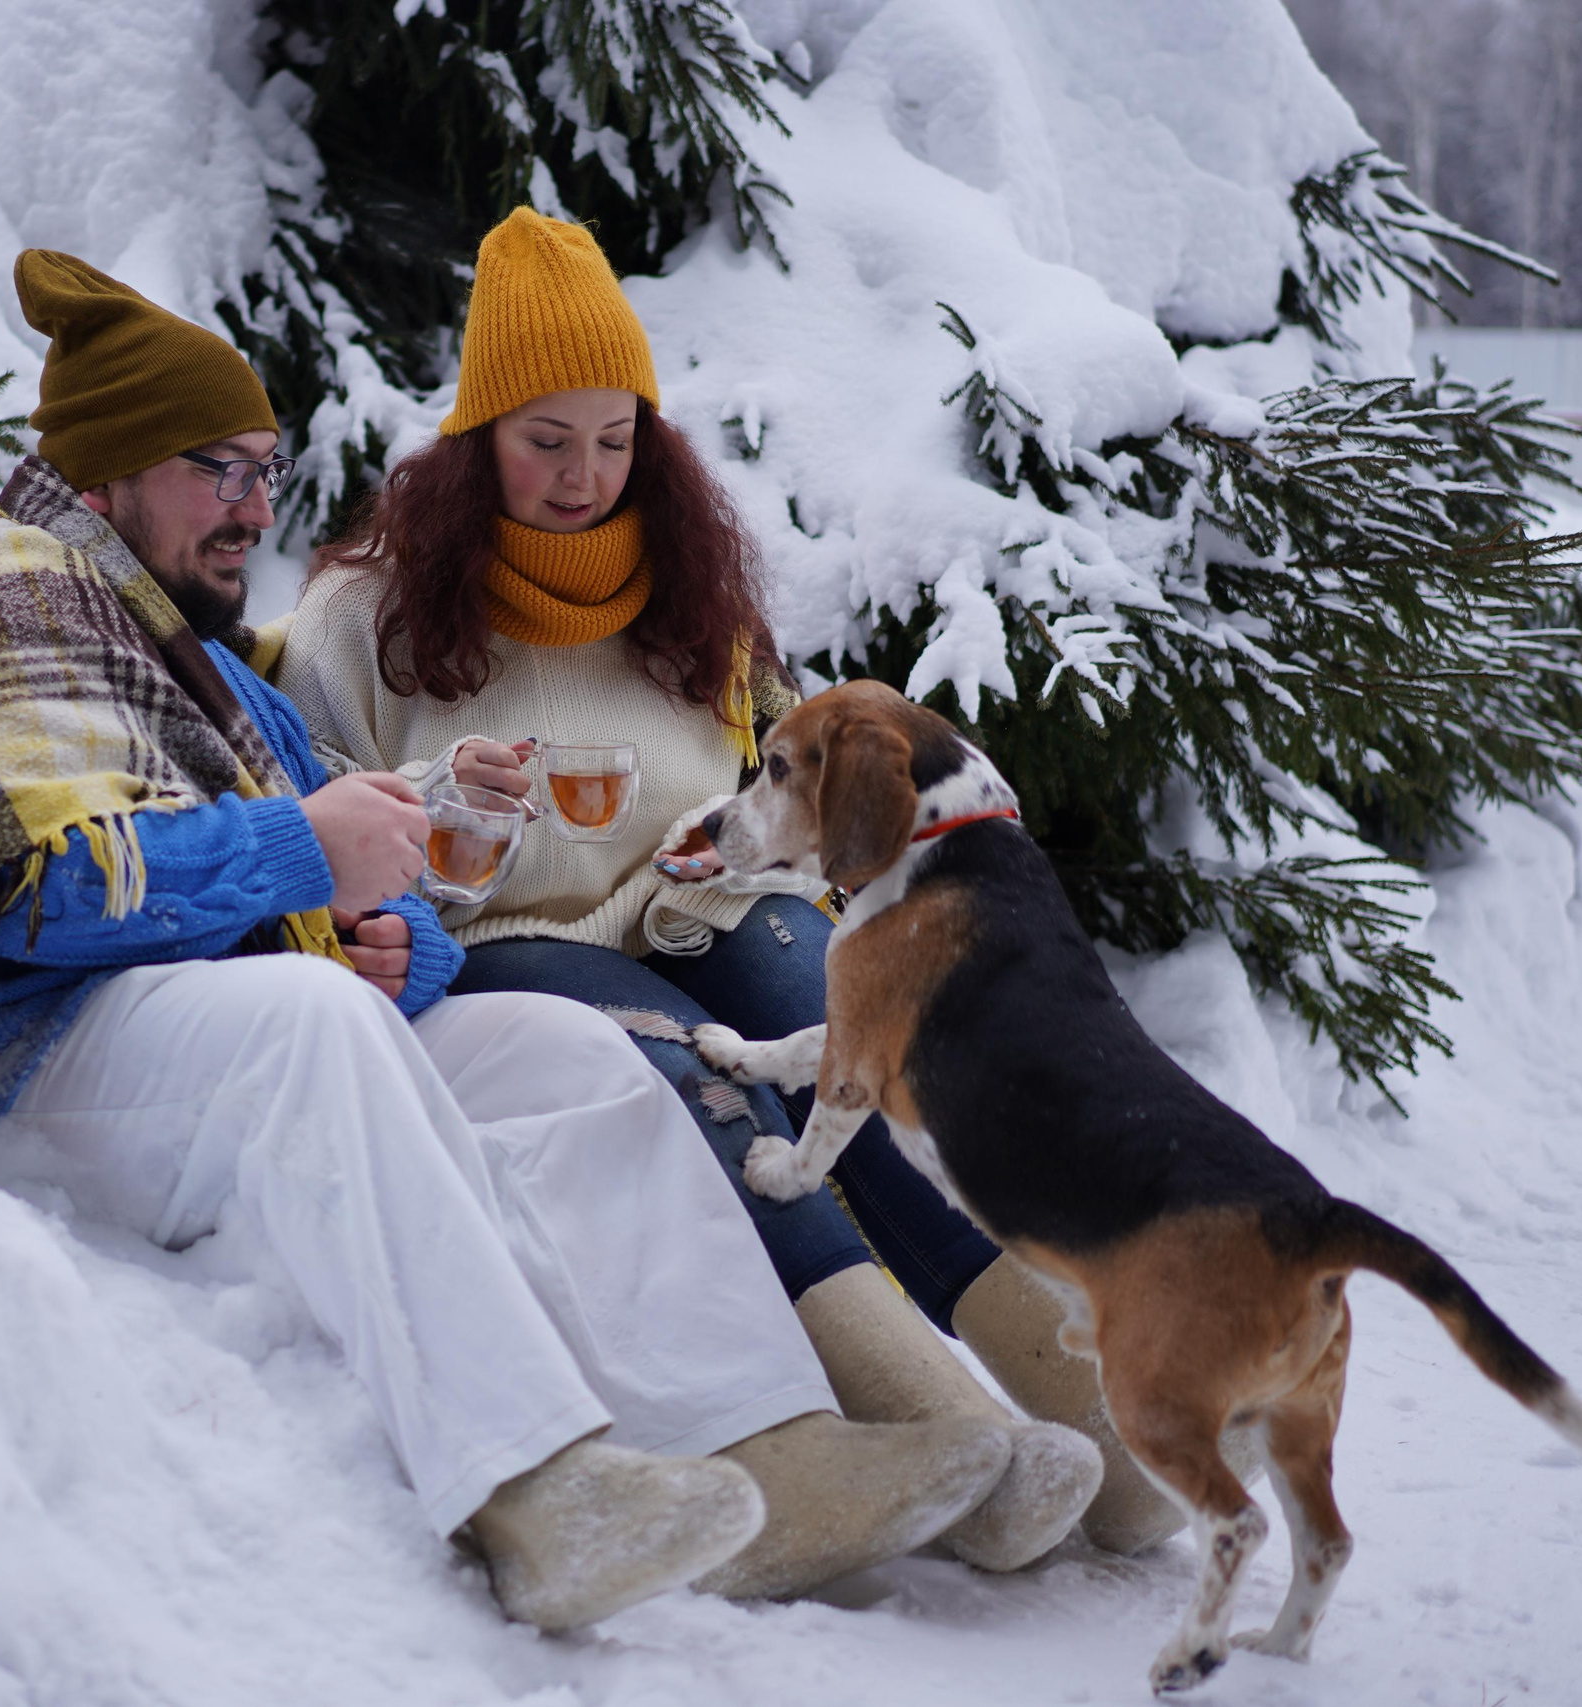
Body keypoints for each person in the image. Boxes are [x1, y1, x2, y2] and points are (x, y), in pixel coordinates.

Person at [0, 248, 1020, 1633]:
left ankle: (765, 1444)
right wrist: (308, 859)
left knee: (566, 1049)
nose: (251, 508)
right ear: (105, 472)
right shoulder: (14, 599)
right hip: (22, 1056)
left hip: (201, 1025)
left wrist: (408, 936)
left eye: (264, 470)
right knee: (315, 1023)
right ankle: (535, 1489)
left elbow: (368, 884)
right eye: (211, 469)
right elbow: (42, 891)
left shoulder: (197, 655)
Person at [277, 208, 1189, 1559]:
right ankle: (932, 1420)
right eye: (545, 441)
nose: (584, 474)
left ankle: (1086, 1404)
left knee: (861, 1046)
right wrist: (429, 850)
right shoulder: (367, 615)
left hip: (704, 903)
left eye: (613, 437)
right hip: (521, 938)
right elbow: (328, 825)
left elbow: (777, 783)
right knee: (702, 1080)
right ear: (478, 444)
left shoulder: (690, 587)